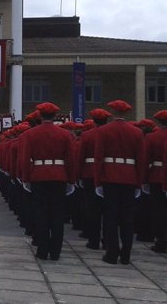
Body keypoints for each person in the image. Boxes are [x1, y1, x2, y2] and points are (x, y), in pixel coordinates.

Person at [19, 102, 75, 261]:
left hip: (39, 175)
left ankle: (42, 250)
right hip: (59, 176)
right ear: (55, 116)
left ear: (40, 116)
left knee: (41, 213)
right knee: (57, 214)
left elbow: (25, 159)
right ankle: (55, 251)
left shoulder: (30, 134)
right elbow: (70, 159)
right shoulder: (65, 134)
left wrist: (26, 178)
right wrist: (71, 179)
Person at [94, 100, 145, 265]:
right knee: (127, 218)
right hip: (129, 177)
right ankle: (126, 254)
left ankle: (112, 252)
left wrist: (98, 180)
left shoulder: (103, 130)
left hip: (109, 176)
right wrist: (139, 182)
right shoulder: (136, 132)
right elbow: (141, 159)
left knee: (111, 217)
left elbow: (99, 157)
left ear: (112, 112)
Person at [78, 108, 111, 249]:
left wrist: (78, 174)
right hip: (109, 173)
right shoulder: (111, 133)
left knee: (92, 209)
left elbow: (81, 157)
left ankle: (93, 239)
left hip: (89, 173)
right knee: (109, 210)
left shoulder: (87, 135)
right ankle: (108, 239)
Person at [145, 110, 167, 253]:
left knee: (158, 211)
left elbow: (146, 159)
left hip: (157, 176)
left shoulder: (152, 137)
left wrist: (144, 179)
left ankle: (160, 240)